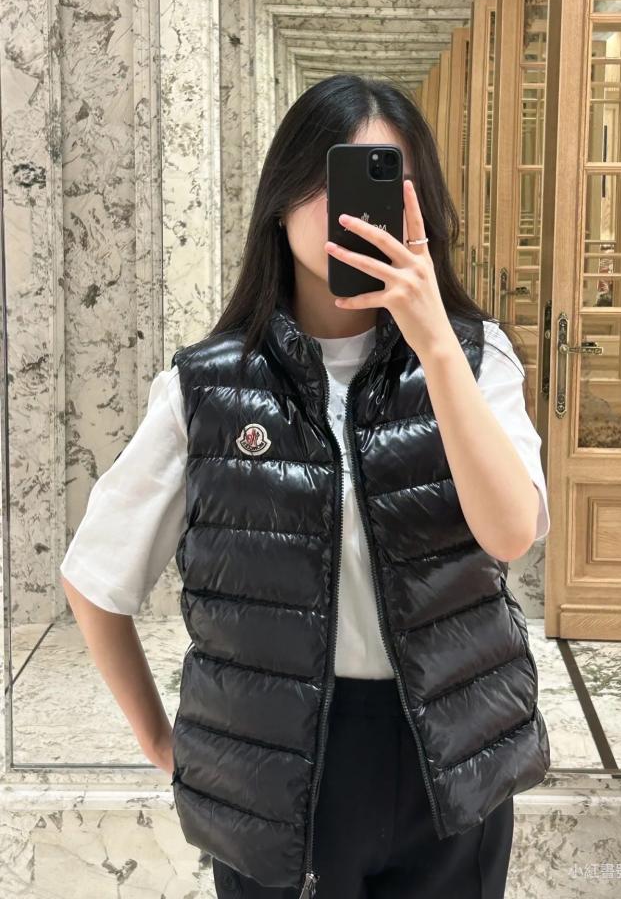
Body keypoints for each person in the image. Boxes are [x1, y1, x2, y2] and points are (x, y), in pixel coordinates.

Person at [60, 73, 551, 898]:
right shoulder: (206, 389)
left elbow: (510, 532)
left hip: (449, 761)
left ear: (419, 207)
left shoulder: (477, 360)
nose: (349, 212)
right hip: (278, 770)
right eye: (328, 182)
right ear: (281, 200)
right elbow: (94, 577)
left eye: (379, 183)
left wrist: (435, 344)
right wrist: (163, 743)